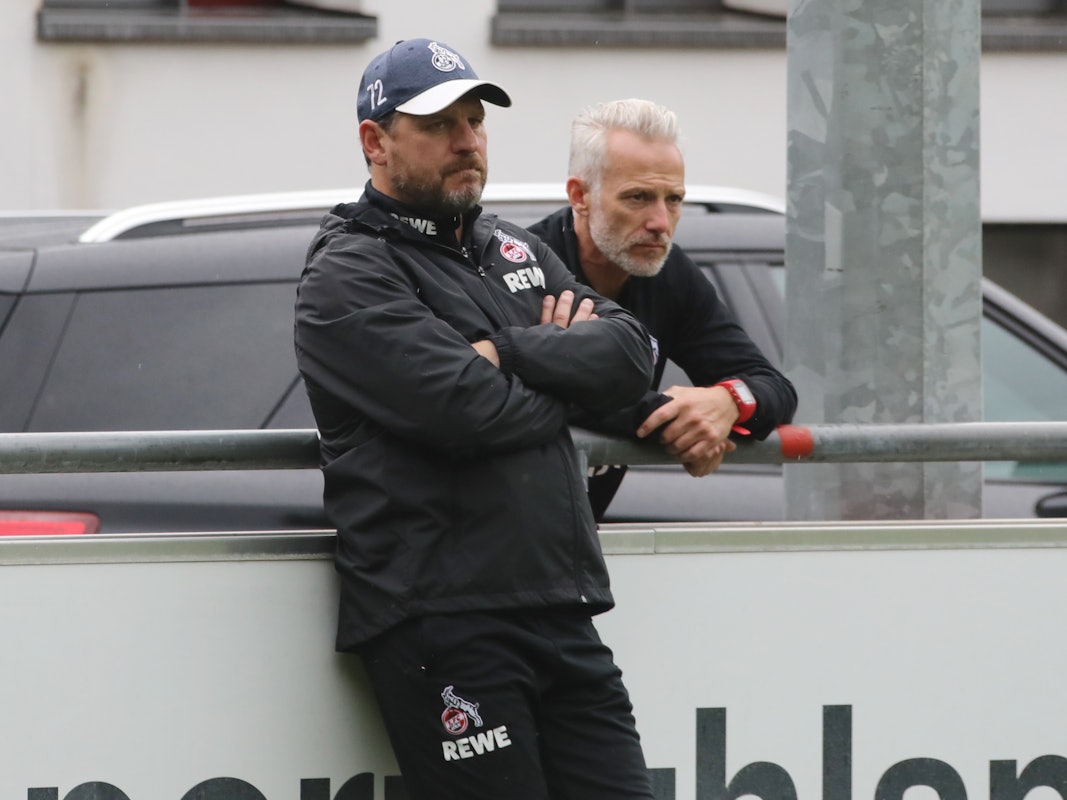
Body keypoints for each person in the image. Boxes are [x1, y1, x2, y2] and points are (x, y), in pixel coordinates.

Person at [293, 40, 659, 800]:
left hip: (560, 606)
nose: (467, 141)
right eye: (439, 125)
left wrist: (506, 350)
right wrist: (560, 357)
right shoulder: (347, 269)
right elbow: (469, 410)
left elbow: (631, 355)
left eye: (474, 120)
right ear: (375, 141)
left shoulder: (512, 245)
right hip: (443, 621)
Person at [528, 98, 798, 520]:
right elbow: (537, 395)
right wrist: (679, 424)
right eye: (638, 197)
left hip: (577, 538)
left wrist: (728, 402)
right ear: (580, 196)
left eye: (673, 200)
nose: (660, 221)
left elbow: (774, 387)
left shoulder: (668, 275)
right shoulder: (521, 264)